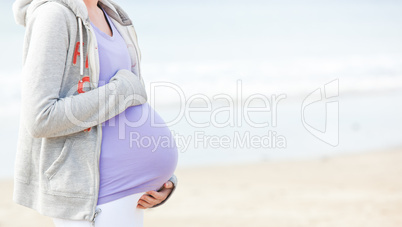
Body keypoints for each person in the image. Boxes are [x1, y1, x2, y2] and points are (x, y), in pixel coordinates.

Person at [12, 0, 179, 226]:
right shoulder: (54, 16)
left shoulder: (114, 16)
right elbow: (41, 117)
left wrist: (160, 180)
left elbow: (130, 103)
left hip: (133, 194)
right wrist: (122, 91)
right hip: (94, 196)